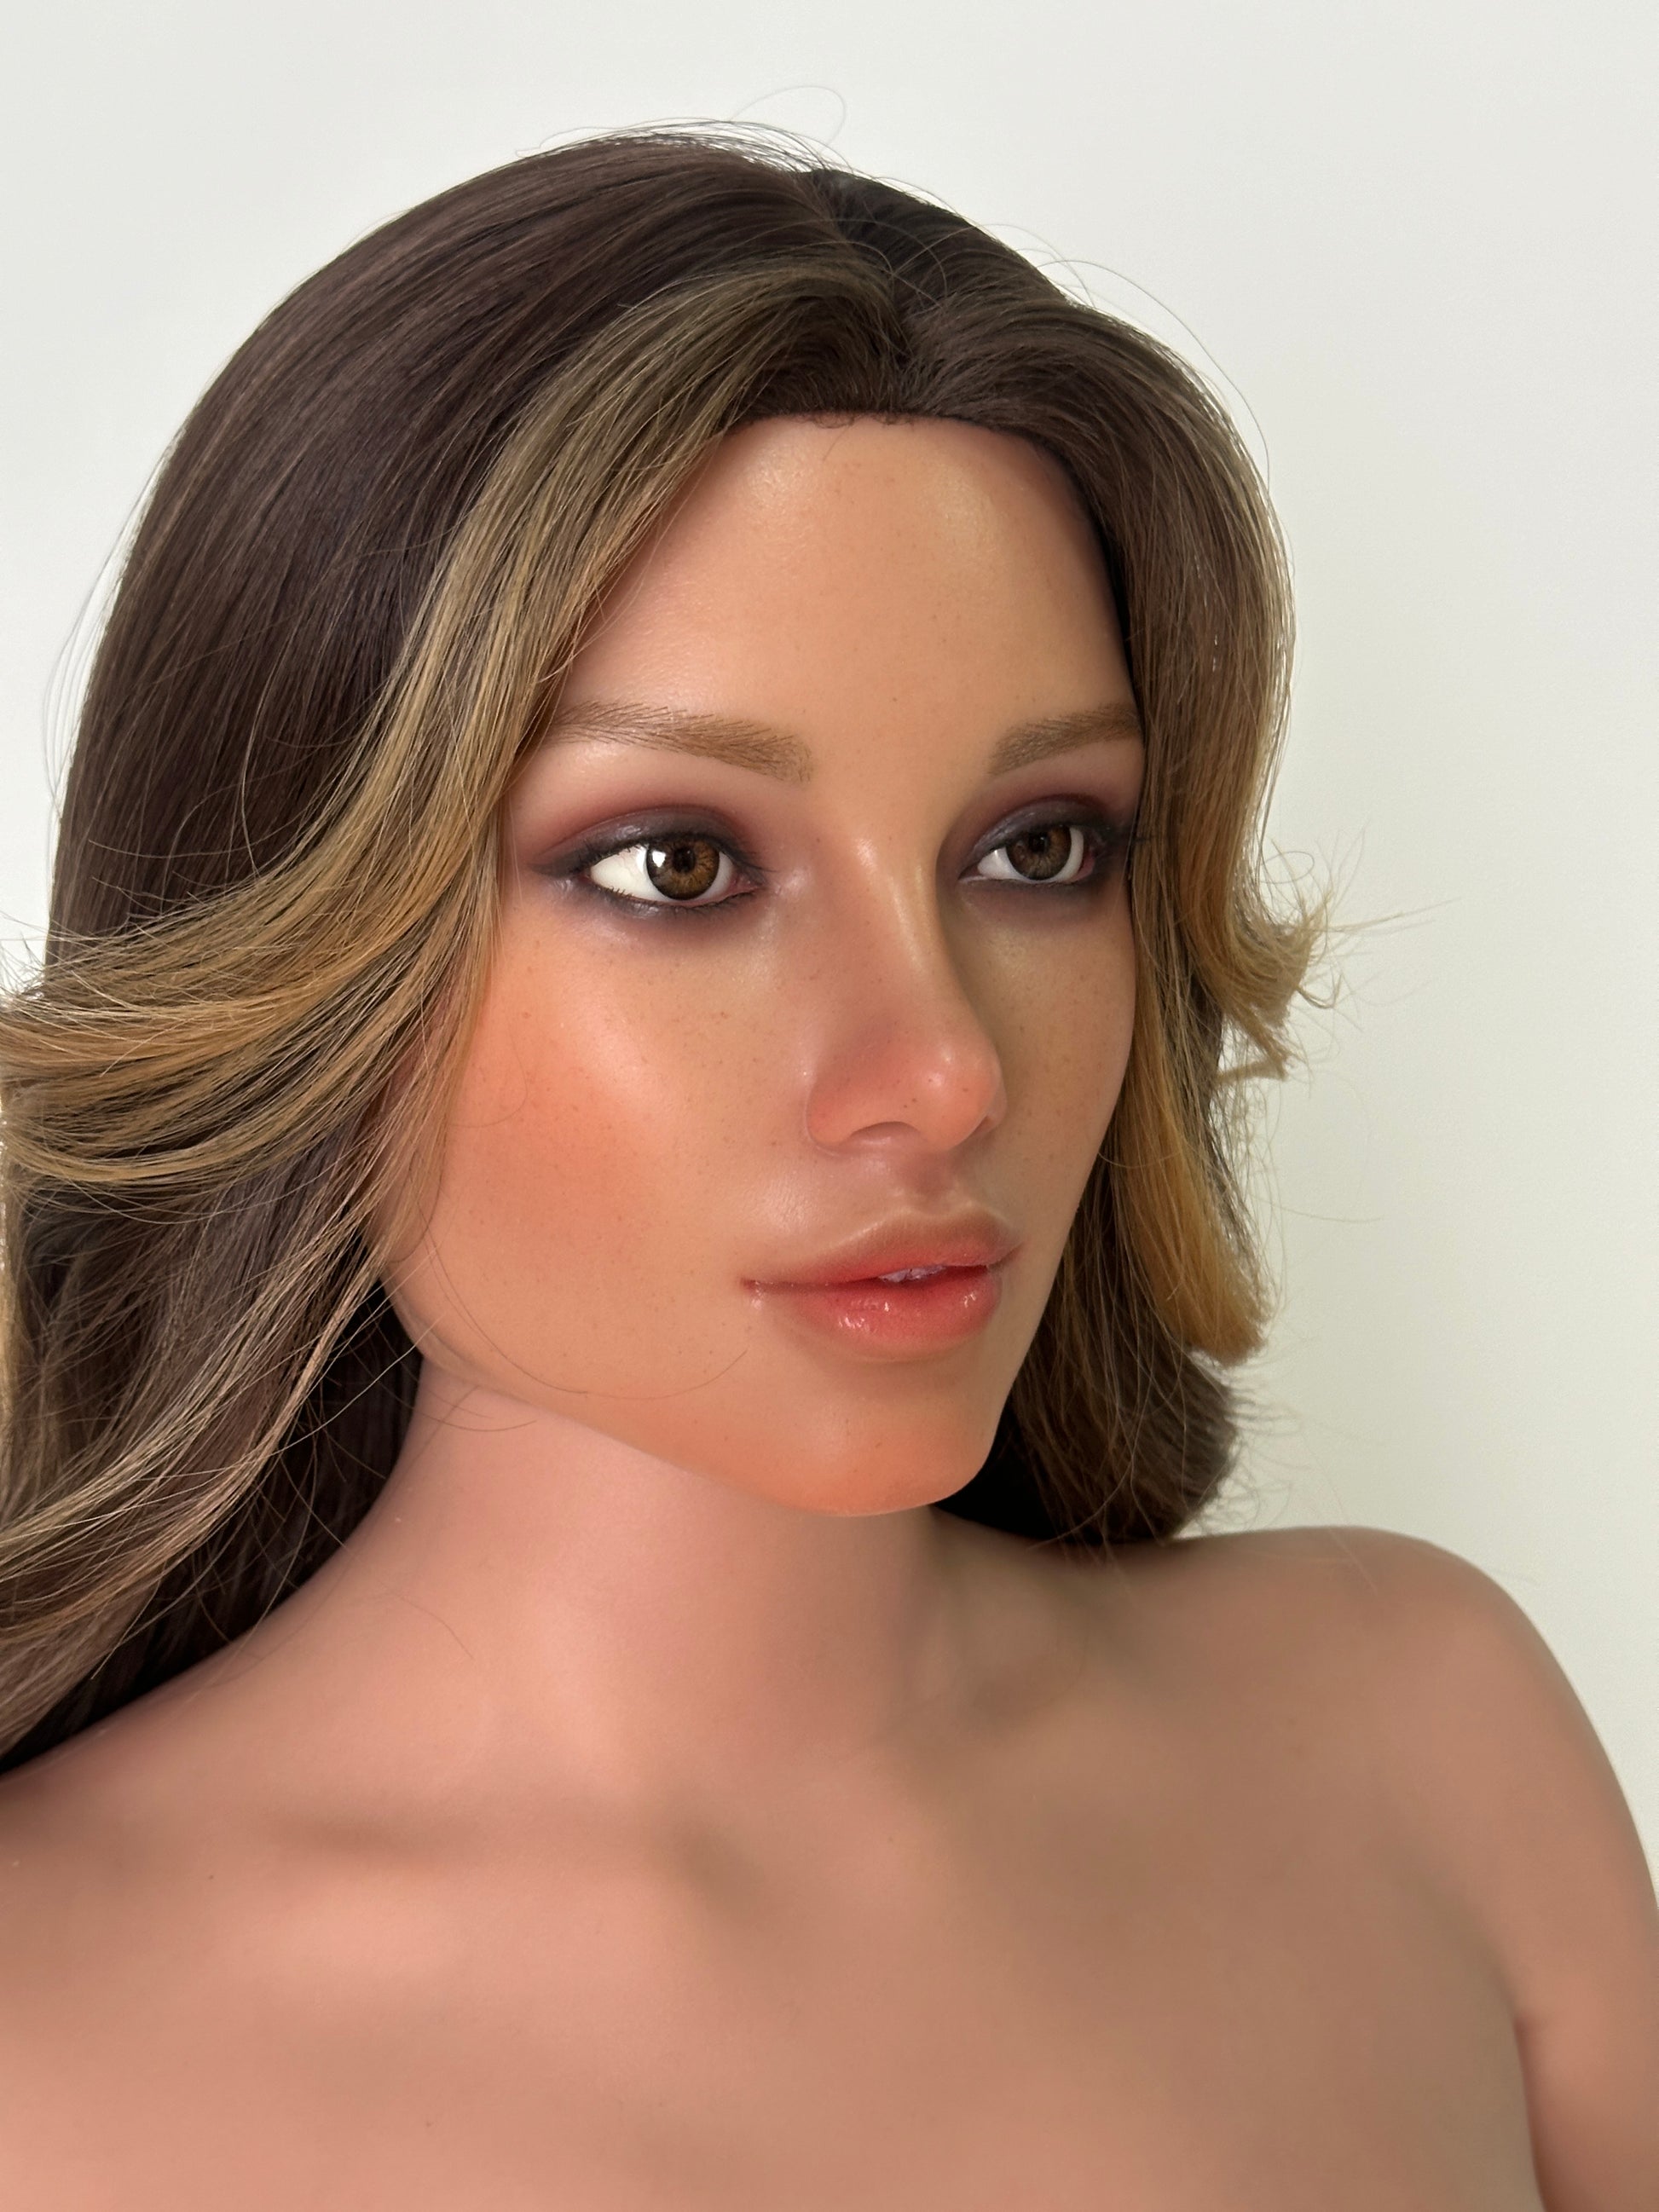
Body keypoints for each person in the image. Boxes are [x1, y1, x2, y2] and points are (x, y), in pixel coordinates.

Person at [0, 127, 1652, 2209]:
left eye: (1036, 848)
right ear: (301, 935)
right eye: (677, 866)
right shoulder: (38, 2027)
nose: (945, 1067)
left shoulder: (1421, 1742)